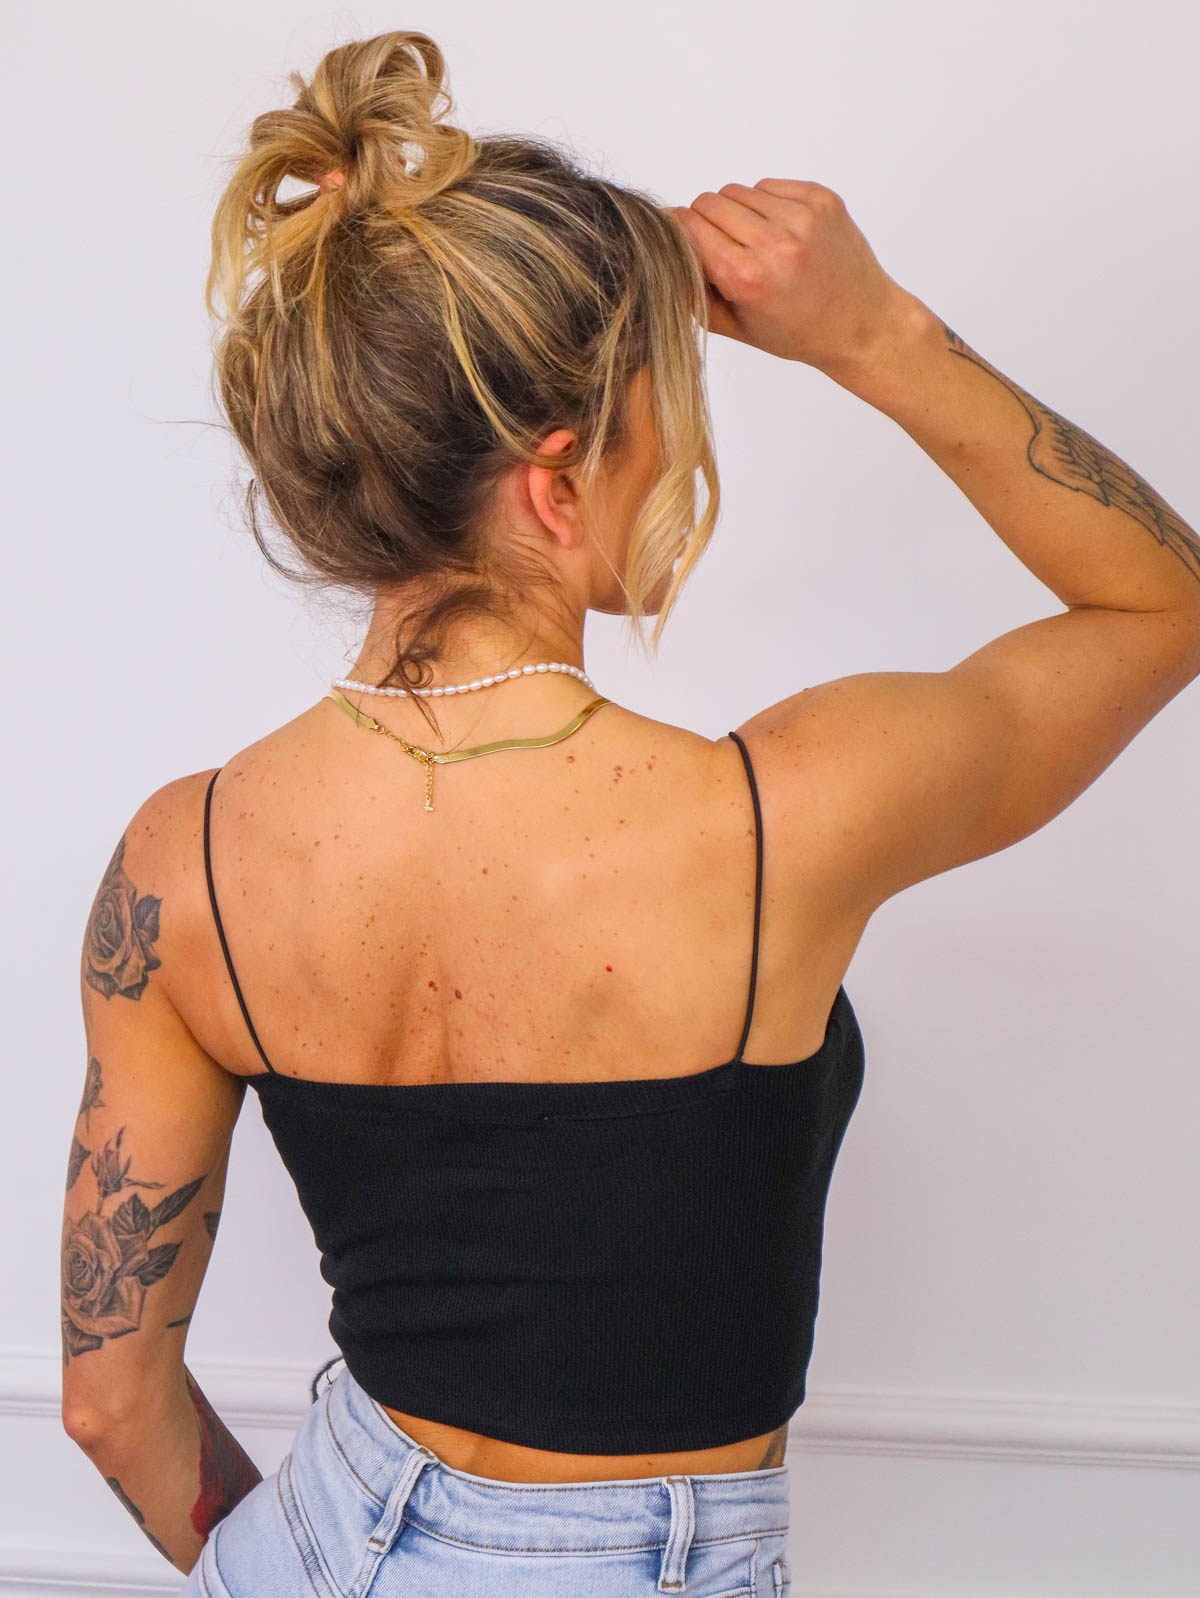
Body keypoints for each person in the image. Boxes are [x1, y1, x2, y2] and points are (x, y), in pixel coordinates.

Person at [59, 28, 1200, 1595]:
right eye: (662, 408)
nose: (678, 454)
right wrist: (873, 330)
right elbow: (1160, 603)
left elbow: (108, 1401)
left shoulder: (178, 861)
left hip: (316, 1533)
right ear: (556, 483)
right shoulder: (778, 816)